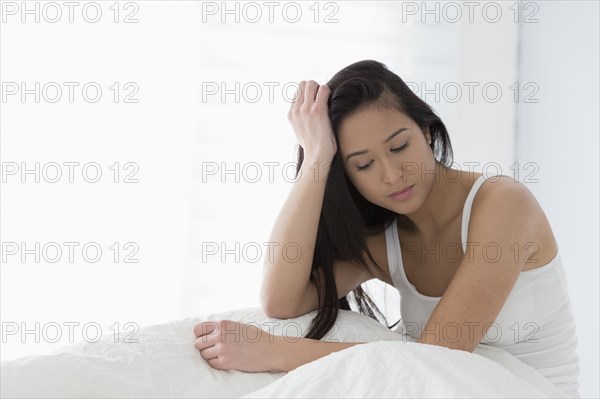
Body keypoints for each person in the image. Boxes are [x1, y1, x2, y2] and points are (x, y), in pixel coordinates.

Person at [193, 60, 580, 398]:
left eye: (399, 147)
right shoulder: (383, 244)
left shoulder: (504, 203)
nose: (392, 175)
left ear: (426, 130)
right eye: (363, 165)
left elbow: (437, 356)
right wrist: (316, 157)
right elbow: (281, 300)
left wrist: (275, 351)